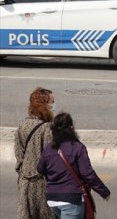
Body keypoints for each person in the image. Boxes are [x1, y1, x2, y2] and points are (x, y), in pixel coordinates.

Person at [38, 112, 111, 218]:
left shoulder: (48, 149)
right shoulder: (77, 147)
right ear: (71, 128)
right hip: (71, 199)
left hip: (52, 198)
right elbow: (87, 173)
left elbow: (40, 169)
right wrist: (104, 192)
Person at [15, 87, 55, 219]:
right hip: (42, 183)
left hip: (25, 183)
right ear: (44, 105)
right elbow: (51, 158)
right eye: (52, 102)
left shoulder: (22, 126)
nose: (53, 106)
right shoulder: (47, 128)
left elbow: (19, 155)